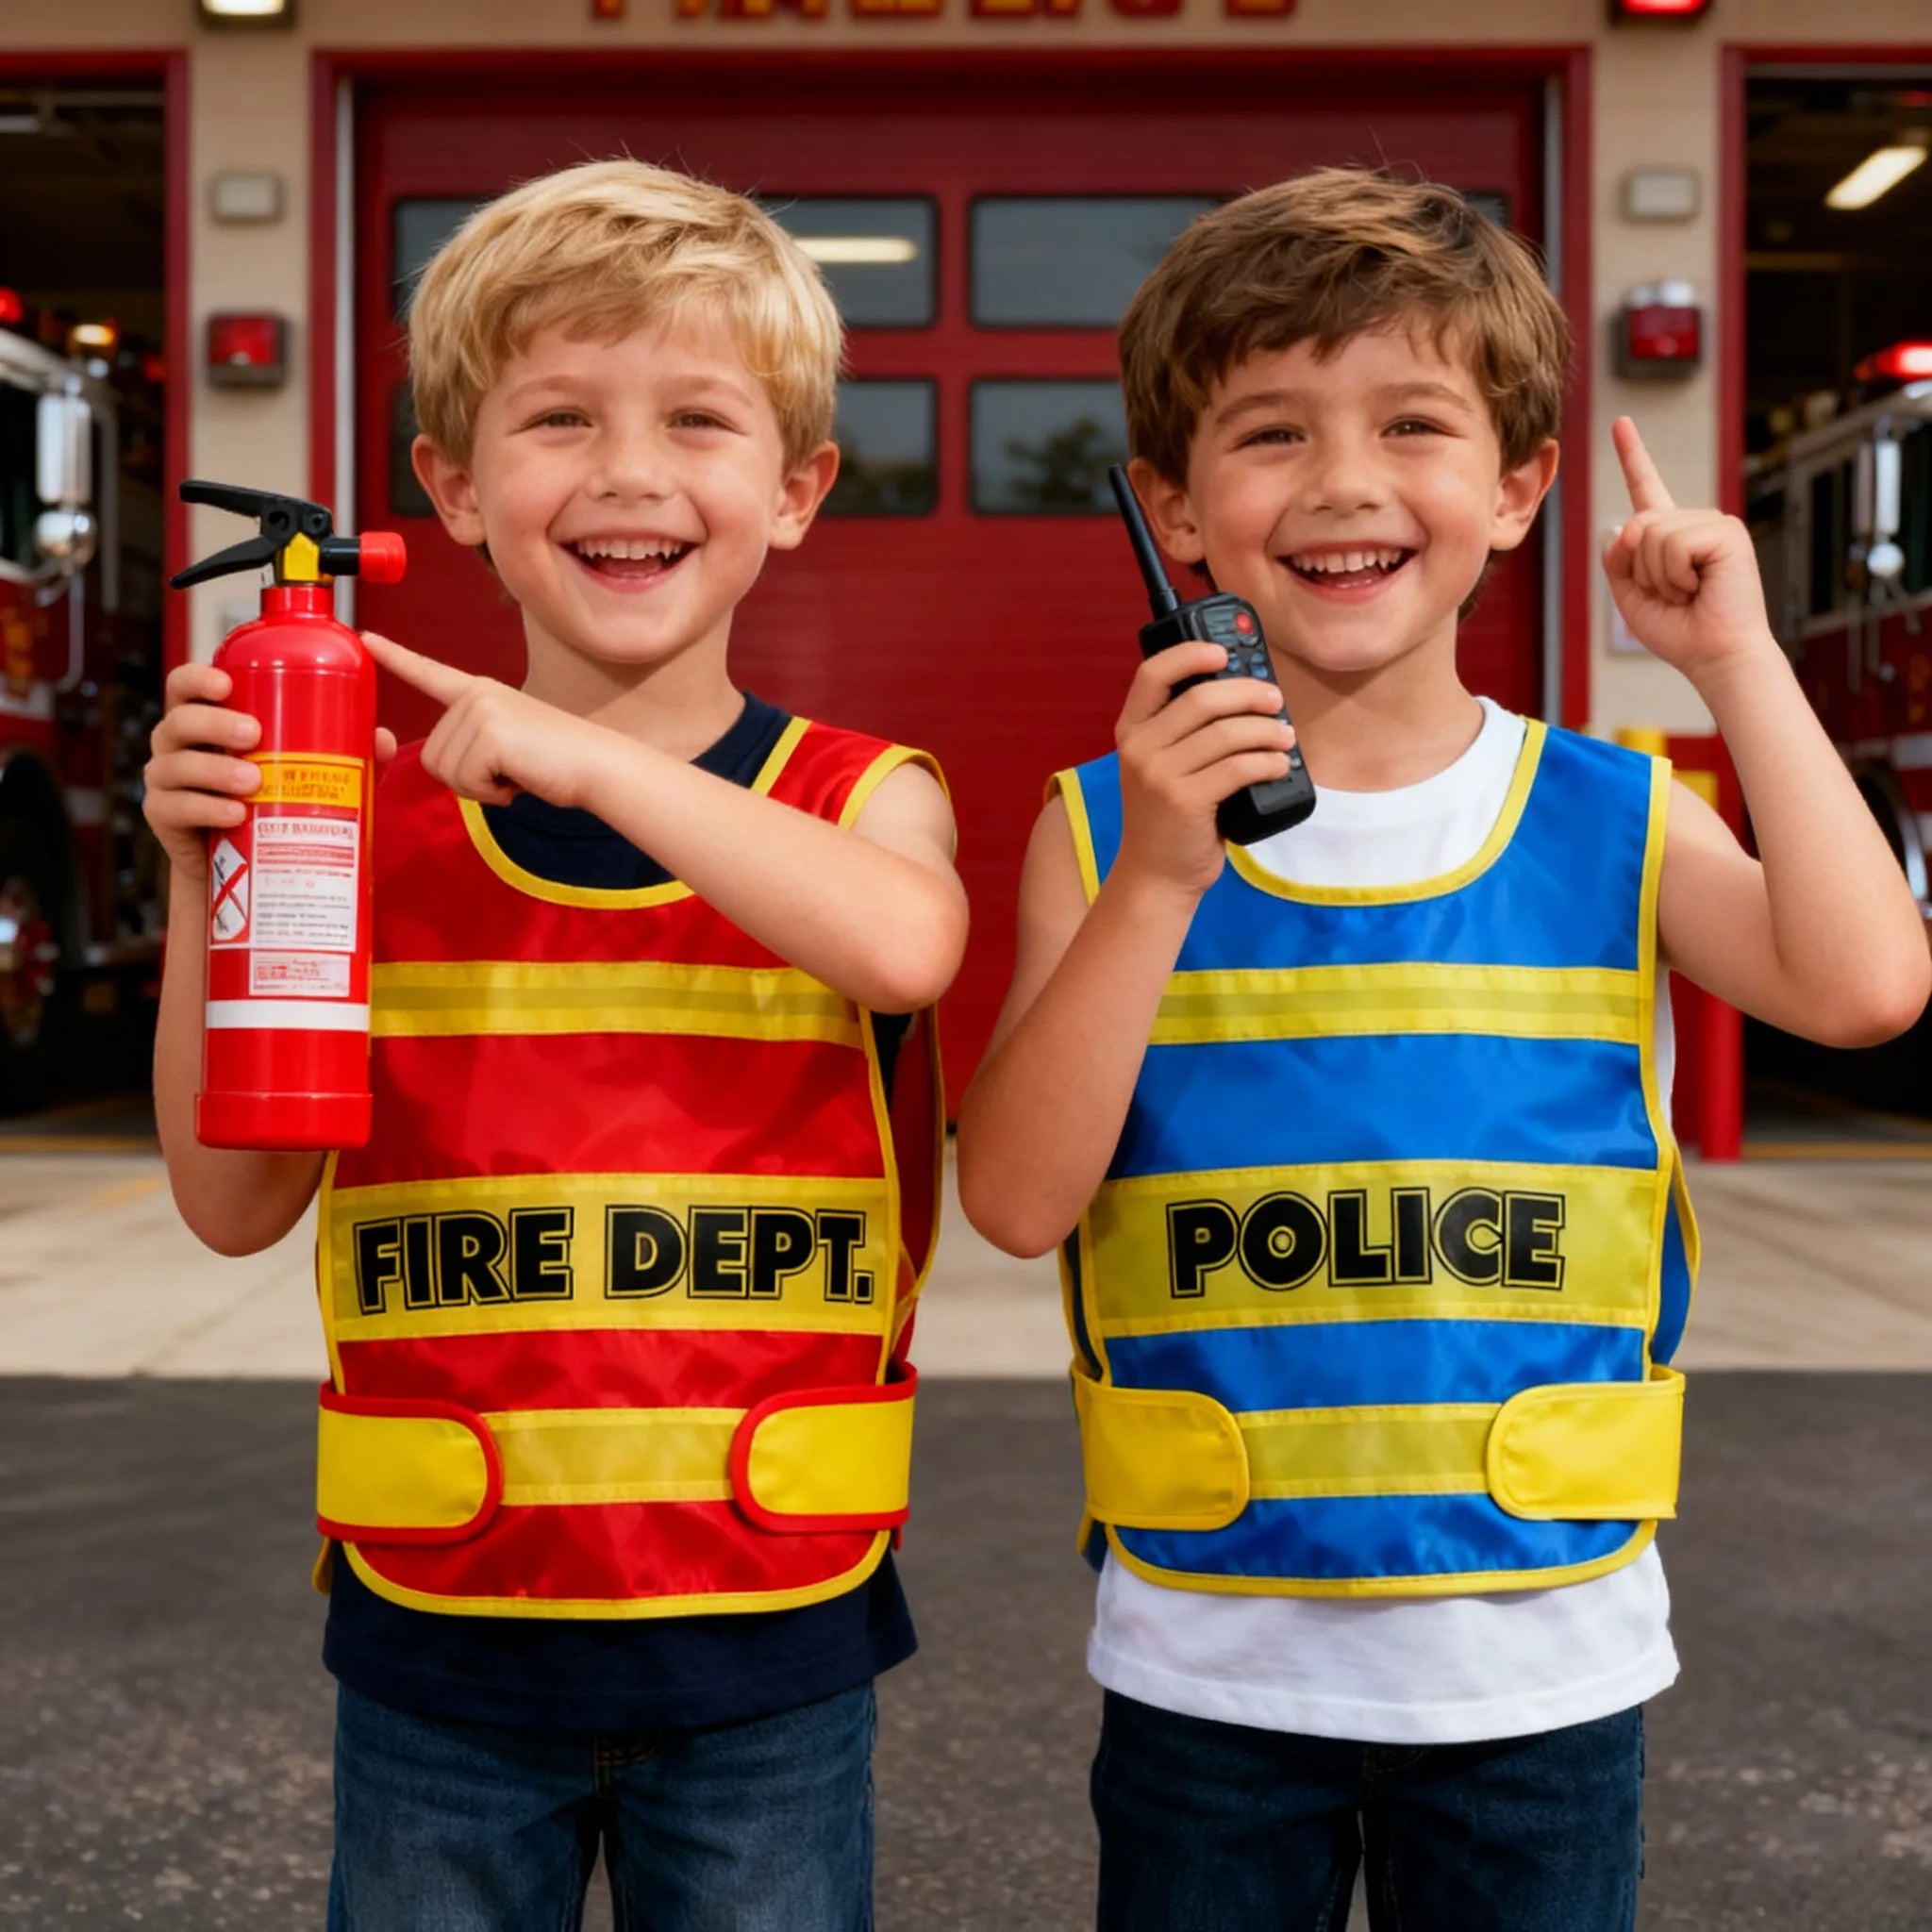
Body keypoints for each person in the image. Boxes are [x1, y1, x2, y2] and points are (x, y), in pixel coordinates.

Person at [956, 168, 1930, 1932]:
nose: (1342, 482)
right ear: (1171, 512)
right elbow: (1018, 1202)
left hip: (1539, 1671)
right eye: (1269, 435)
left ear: (1519, 485)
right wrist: (1169, 873)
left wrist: (1737, 660)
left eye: (1413, 422)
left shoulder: (1614, 814)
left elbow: (1865, 990)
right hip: (1209, 1665)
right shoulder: (1108, 834)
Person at [142, 158, 965, 1932]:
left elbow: (906, 947)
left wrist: (594, 761)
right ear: (450, 485)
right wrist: (209, 879)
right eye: (558, 419)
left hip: (770, 1640)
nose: (628, 473)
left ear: (800, 487)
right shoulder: (344, 822)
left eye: (699, 419)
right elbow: (232, 1201)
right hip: (445, 1640)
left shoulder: (859, 801)